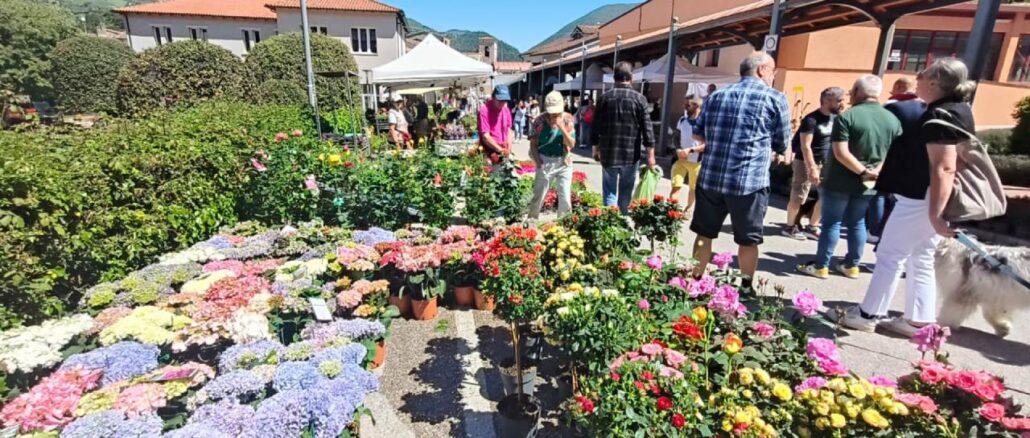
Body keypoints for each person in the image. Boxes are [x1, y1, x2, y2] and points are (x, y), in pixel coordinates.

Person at [840, 58, 977, 336]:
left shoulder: (940, 116)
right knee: (921, 256)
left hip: (920, 197)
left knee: (890, 254)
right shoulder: (956, 110)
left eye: (923, 73)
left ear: (936, 82)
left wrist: (936, 214)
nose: (918, 77)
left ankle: (869, 314)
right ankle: (918, 319)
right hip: (927, 196)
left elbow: (945, 166)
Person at [689, 52, 791, 286]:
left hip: (711, 179)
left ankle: (695, 281)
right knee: (748, 240)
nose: (773, 76)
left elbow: (697, 132)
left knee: (704, 235)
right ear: (762, 70)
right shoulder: (775, 98)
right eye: (772, 71)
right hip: (749, 182)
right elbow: (781, 143)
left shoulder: (716, 96)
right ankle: (745, 287)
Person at [797, 75, 901, 280]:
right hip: (870, 182)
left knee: (831, 223)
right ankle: (852, 265)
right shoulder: (892, 119)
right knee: (858, 222)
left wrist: (862, 170)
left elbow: (840, 153)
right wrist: (874, 171)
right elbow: (893, 152)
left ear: (856, 92)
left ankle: (821, 266)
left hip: (839, 180)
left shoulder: (847, 117)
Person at [590, 61, 657, 214]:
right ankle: (623, 220)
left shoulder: (604, 98)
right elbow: (648, 128)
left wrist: (595, 149)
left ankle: (610, 223)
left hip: (608, 152)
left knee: (609, 191)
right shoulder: (640, 99)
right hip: (630, 154)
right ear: (631, 77)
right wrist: (651, 156)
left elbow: (595, 127)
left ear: (614, 78)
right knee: (626, 190)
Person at [782, 87, 845, 240]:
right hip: (805, 161)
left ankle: (813, 226)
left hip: (827, 162)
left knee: (825, 195)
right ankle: (790, 226)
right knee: (799, 195)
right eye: (839, 100)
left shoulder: (836, 118)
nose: (842, 103)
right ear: (827, 100)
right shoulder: (811, 120)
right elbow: (805, 146)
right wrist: (812, 168)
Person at [869, 78, 923, 243]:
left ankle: (874, 230)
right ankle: (884, 232)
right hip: (913, 165)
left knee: (877, 195)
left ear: (898, 87)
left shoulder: (891, 106)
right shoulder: (925, 107)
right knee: (897, 202)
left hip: (888, 158)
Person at [528, 91, 577, 219]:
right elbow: (533, 145)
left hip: (563, 160)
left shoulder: (567, 119)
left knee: (565, 196)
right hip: (545, 160)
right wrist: (538, 162)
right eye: (552, 112)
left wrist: (562, 128)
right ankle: (532, 221)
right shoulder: (539, 121)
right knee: (539, 195)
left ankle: (564, 224)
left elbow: (571, 144)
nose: (554, 114)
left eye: (557, 112)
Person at [669, 93, 704, 211]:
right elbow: (675, 137)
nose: (684, 107)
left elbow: (707, 144)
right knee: (676, 186)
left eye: (687, 105)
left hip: (696, 162)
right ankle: (671, 212)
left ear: (696, 105)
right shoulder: (682, 120)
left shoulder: (704, 123)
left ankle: (688, 209)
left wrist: (691, 150)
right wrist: (678, 149)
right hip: (680, 160)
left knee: (693, 188)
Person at [478, 85, 513, 163]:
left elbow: (509, 131)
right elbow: (485, 136)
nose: (502, 103)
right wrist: (500, 150)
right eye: (500, 100)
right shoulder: (484, 110)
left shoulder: (506, 110)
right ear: (493, 97)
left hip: (504, 148)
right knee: (493, 172)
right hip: (491, 150)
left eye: (504, 100)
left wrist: (509, 149)